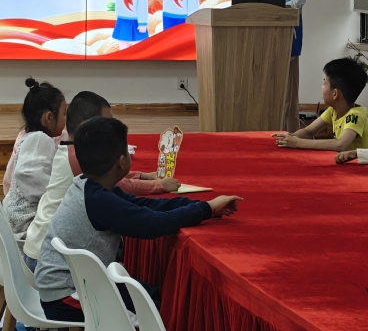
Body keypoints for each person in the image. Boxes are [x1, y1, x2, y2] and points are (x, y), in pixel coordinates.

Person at [35, 116, 242, 323]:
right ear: (122, 162)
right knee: (156, 317)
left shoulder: (88, 186)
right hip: (67, 296)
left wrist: (202, 206)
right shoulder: (99, 200)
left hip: (75, 286)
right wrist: (206, 209)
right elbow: (153, 224)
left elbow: (144, 205)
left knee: (156, 296)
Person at [22, 91, 180, 272]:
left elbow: (112, 172)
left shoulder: (73, 150)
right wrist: (159, 185)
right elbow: (121, 185)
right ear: (89, 128)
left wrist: (143, 175)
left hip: (39, 248)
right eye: (107, 124)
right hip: (45, 259)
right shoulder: (78, 157)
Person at [242, 0, 309, 133]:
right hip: (259, 36)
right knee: (259, 85)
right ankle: (259, 130)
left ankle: (291, 132)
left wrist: (281, 8)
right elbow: (244, 1)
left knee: (288, 88)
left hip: (288, 36)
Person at [3, 78, 67, 250]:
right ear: (49, 117)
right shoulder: (40, 139)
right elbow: (29, 176)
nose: (66, 119)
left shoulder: (31, 138)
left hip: (20, 220)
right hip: (26, 224)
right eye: (64, 114)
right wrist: (59, 192)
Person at [275, 58, 368, 152]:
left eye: (324, 83)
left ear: (335, 94)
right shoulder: (333, 111)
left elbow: (341, 144)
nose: (322, 87)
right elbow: (308, 131)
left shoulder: (356, 115)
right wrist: (292, 136)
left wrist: (297, 143)